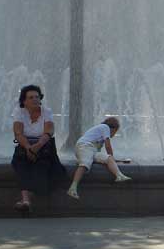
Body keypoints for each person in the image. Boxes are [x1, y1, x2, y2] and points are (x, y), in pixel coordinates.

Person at [11, 84, 65, 213]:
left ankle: (27, 199)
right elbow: (18, 133)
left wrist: (37, 146)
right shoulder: (19, 112)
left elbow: (49, 132)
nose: (35, 99)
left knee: (40, 167)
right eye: (31, 97)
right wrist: (28, 148)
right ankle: (26, 201)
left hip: (44, 146)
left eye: (37, 97)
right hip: (25, 146)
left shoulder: (46, 111)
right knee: (21, 164)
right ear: (24, 101)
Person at [67, 116, 131, 199]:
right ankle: (73, 187)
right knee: (85, 163)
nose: (114, 135)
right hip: (84, 146)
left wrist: (113, 159)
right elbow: (108, 146)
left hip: (92, 150)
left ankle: (119, 175)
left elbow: (100, 153)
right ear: (113, 128)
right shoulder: (105, 127)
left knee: (108, 158)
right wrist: (112, 157)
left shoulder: (100, 134)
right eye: (115, 132)